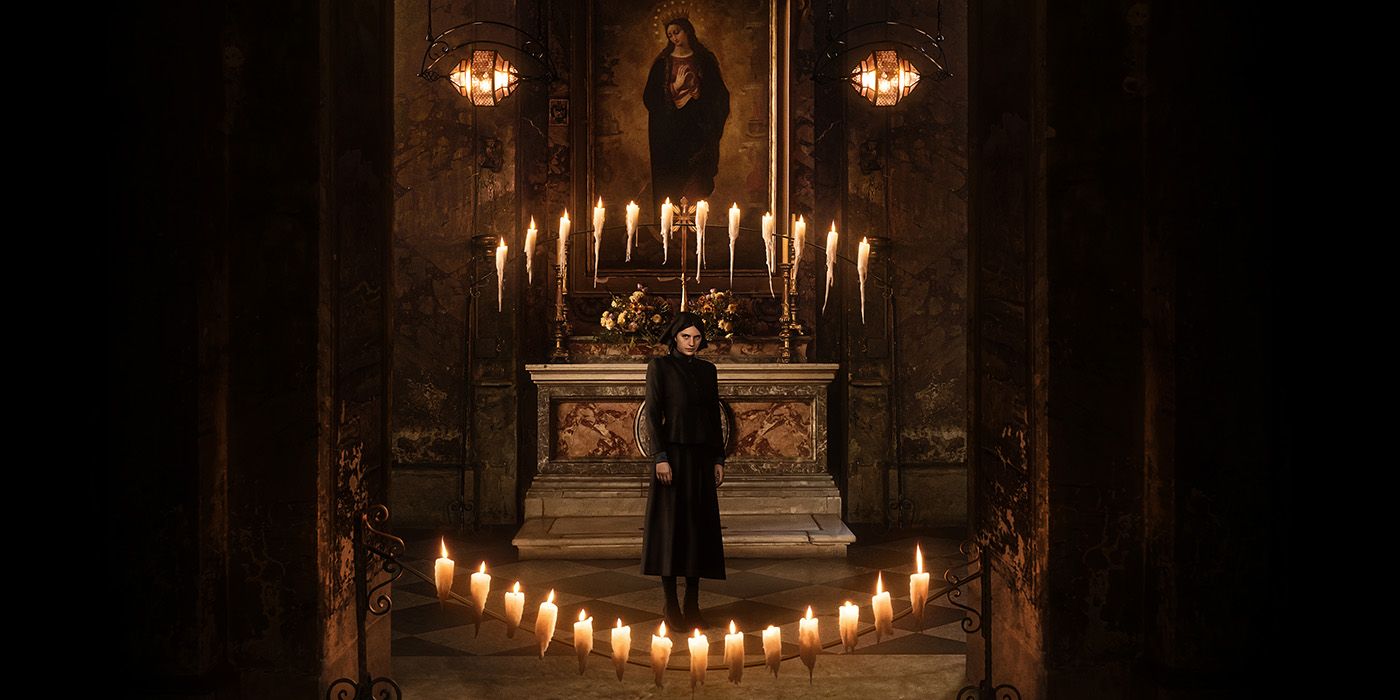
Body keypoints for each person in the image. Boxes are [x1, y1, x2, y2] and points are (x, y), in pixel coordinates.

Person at [640, 311, 728, 631]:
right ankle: (670, 604)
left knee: (698, 530)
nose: (692, 343)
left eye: (696, 337)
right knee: (671, 530)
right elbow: (652, 414)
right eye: (685, 337)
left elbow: (713, 417)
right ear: (674, 338)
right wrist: (660, 456)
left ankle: (692, 603)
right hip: (672, 458)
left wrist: (718, 459)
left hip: (702, 459)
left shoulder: (708, 370)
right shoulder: (659, 367)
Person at [643, 17, 730, 211]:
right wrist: (675, 87)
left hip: (697, 130)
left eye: (677, 32)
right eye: (670, 35)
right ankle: (670, 228)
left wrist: (699, 94)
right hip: (670, 133)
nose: (674, 37)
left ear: (687, 31)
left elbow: (719, 95)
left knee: (696, 178)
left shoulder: (704, 60)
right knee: (672, 179)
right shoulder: (663, 63)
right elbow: (650, 98)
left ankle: (695, 227)